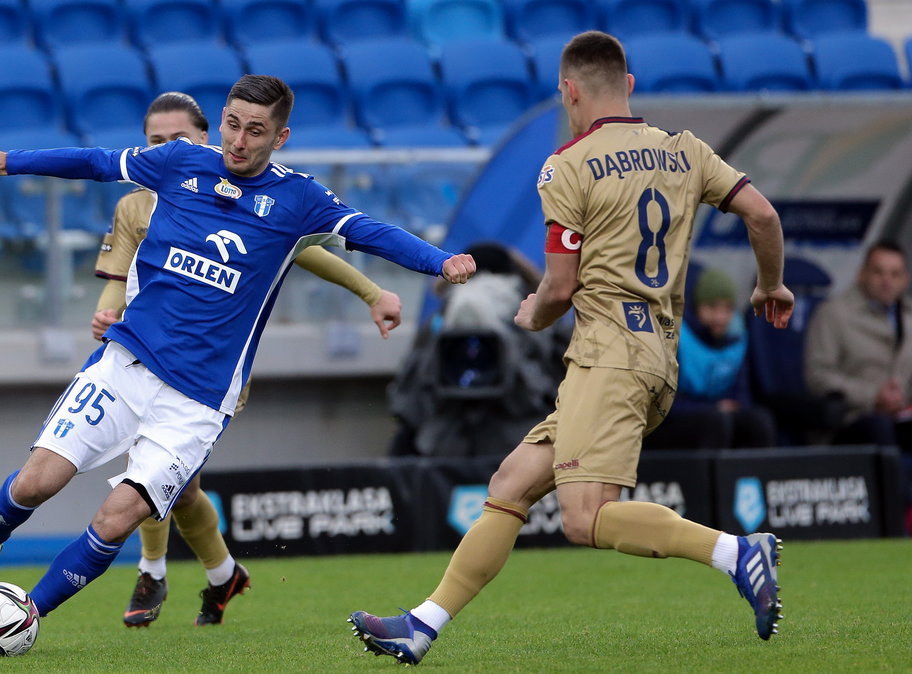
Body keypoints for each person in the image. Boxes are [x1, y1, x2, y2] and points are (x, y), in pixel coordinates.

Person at [0, 75, 476, 622]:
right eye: (232, 124)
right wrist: (7, 160)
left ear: (279, 138)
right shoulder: (181, 163)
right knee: (38, 480)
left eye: (255, 130)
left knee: (119, 515)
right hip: (127, 364)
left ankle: (25, 616)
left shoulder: (297, 199)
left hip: (199, 400)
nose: (239, 140)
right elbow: (94, 162)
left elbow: (369, 231)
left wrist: (439, 260)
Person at [348, 31, 795, 665]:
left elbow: (559, 286)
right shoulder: (684, 150)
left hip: (609, 355)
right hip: (652, 354)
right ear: (630, 86)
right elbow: (764, 216)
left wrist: (532, 313)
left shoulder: (569, 163)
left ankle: (735, 553)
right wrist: (770, 284)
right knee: (513, 481)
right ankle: (423, 623)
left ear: (569, 90)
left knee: (585, 519)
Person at [91, 91, 404, 627]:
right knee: (180, 491)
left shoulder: (238, 194)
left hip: (210, 370)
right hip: (140, 354)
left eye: (179, 140)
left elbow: (307, 248)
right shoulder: (132, 206)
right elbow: (118, 277)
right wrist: (104, 313)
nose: (166, 148)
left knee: (151, 477)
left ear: (205, 139)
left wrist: (371, 292)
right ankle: (221, 576)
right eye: (155, 141)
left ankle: (154, 569)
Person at [388, 241, 566, 456]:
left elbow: (408, 397)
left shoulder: (438, 324)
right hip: (522, 444)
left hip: (447, 445)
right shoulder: (537, 321)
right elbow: (562, 383)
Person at [804, 240, 912, 528]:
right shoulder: (834, 314)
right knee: (880, 427)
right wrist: (872, 396)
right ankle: (895, 525)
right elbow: (817, 375)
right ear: (861, 274)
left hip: (902, 417)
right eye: (879, 272)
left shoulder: (909, 317)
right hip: (851, 421)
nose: (887, 281)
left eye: (895, 273)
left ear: (905, 279)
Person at [643, 266, 776, 450]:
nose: (720, 317)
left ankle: (758, 477)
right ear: (698, 307)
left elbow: (742, 394)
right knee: (717, 421)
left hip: (719, 413)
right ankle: (711, 479)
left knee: (760, 420)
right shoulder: (678, 337)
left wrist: (730, 406)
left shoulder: (738, 338)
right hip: (677, 420)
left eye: (727, 309)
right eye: (712, 307)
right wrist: (715, 407)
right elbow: (665, 404)